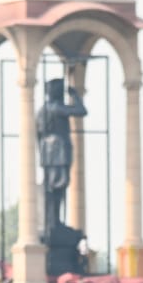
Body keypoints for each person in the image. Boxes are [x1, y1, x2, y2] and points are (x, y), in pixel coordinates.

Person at [36, 78, 87, 232]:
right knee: (58, 188)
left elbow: (37, 135)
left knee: (52, 189)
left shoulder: (42, 110)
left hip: (48, 153)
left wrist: (42, 152)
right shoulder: (57, 108)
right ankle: (54, 222)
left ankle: (53, 222)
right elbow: (81, 111)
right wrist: (76, 96)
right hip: (58, 151)